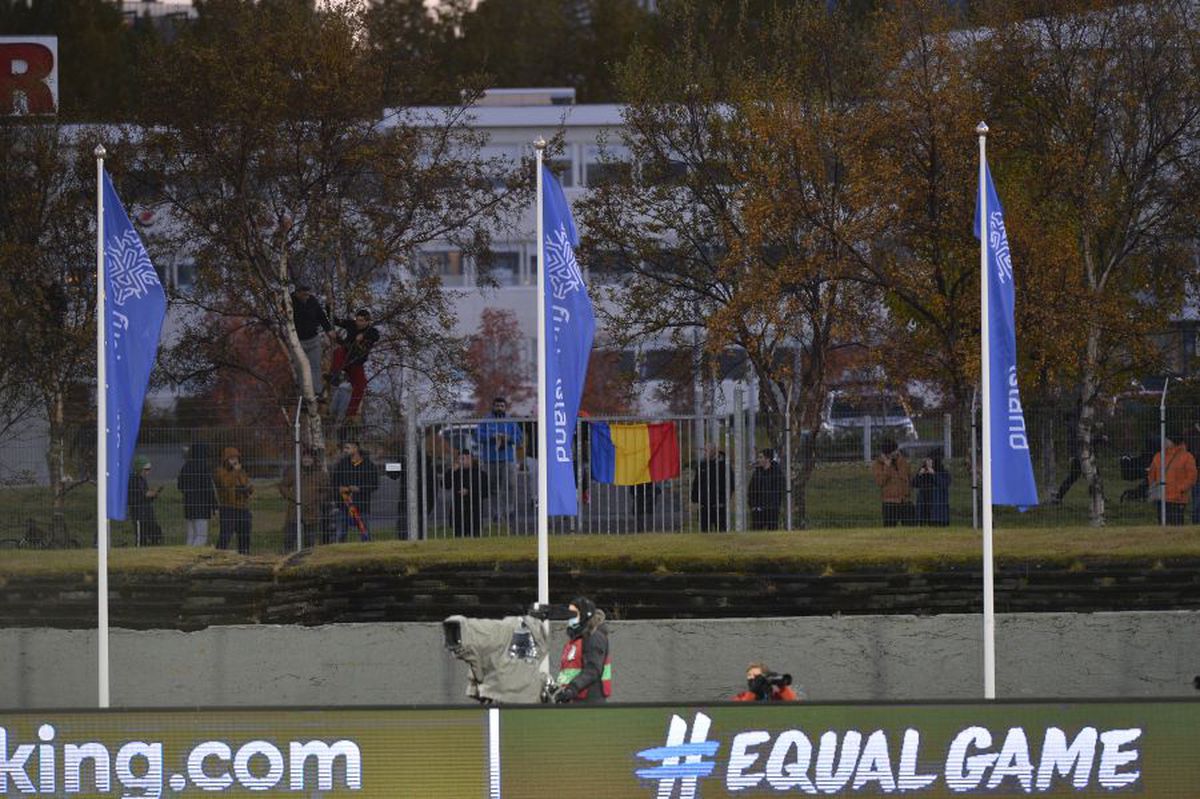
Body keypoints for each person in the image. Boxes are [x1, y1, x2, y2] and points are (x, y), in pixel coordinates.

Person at [476, 397, 524, 527]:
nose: (499, 408)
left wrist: (509, 438)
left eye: (502, 406)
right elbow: (477, 436)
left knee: (510, 485)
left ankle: (510, 511)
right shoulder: (485, 420)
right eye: (497, 406)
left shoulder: (510, 421)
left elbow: (520, 438)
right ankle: (496, 513)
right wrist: (492, 436)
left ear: (505, 407)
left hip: (508, 459)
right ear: (493, 407)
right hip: (490, 459)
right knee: (493, 488)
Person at [554, 596, 612, 704]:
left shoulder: (594, 637)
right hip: (576, 698)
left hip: (589, 700)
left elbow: (593, 670)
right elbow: (569, 673)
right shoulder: (578, 640)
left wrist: (572, 688)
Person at [326, 308, 380, 421]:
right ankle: (334, 375)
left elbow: (376, 336)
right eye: (357, 320)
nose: (358, 323)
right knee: (338, 351)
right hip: (345, 356)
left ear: (367, 321)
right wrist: (328, 307)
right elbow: (336, 321)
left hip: (356, 362)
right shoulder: (351, 324)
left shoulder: (371, 331)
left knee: (361, 384)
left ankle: (351, 413)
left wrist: (363, 336)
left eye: (361, 321)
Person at [278, 450, 330, 551]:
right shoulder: (294, 471)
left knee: (310, 539)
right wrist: (291, 496)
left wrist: (317, 499)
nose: (306, 460)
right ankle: (288, 554)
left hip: (312, 510)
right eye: (304, 457)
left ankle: (307, 556)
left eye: (309, 458)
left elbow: (326, 490)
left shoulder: (321, 474)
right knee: (289, 537)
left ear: (314, 459)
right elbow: (283, 486)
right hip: (295, 509)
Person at [1146, 430, 1198, 526]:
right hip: (1163, 497)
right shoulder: (1159, 456)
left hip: (1177, 499)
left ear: (1172, 441)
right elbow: (1151, 474)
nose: (1163, 441)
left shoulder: (1186, 456)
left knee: (1176, 524)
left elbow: (1192, 477)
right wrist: (1154, 487)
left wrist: (1180, 489)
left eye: (1166, 439)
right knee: (1163, 524)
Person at [332, 440, 379, 542]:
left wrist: (360, 488)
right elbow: (334, 482)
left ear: (356, 448)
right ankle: (340, 551)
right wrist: (339, 489)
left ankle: (367, 551)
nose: (345, 450)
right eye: (344, 448)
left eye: (347, 448)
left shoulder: (369, 465)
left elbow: (375, 484)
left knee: (364, 534)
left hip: (362, 505)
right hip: (343, 504)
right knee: (340, 534)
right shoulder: (341, 464)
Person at [291, 285, 334, 397]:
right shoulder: (290, 302)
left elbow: (321, 316)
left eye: (308, 294)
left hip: (313, 340)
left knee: (315, 366)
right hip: (298, 342)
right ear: (298, 293)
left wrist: (328, 330)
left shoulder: (312, 300)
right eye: (304, 294)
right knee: (300, 368)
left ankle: (317, 392)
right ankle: (303, 394)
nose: (307, 297)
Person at [214, 447, 253, 554]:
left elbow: (247, 483)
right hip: (228, 508)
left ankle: (244, 555)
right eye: (231, 458)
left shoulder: (241, 472)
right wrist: (235, 472)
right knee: (226, 535)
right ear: (225, 460)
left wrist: (247, 488)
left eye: (236, 458)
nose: (235, 461)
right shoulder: (220, 471)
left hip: (243, 508)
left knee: (245, 536)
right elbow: (225, 484)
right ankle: (219, 555)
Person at [177, 443, 217, 547]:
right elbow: (208, 488)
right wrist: (214, 505)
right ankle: (193, 555)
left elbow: (180, 485)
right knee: (201, 536)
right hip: (202, 506)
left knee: (191, 535)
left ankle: (185, 554)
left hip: (188, 505)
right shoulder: (203, 467)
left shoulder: (186, 466)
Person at [443, 449, 489, 538]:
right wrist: (452, 471)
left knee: (475, 538)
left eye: (463, 458)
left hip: (474, 512)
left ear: (470, 459)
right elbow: (445, 484)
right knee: (459, 538)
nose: (461, 462)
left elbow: (485, 492)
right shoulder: (456, 473)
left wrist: (469, 492)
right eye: (459, 459)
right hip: (458, 512)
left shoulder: (480, 474)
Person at [872, 438, 913, 527]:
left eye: (896, 451)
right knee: (889, 527)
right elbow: (880, 481)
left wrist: (908, 492)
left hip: (905, 500)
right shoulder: (878, 464)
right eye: (893, 453)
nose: (896, 453)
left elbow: (909, 478)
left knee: (910, 527)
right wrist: (887, 466)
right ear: (886, 454)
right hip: (889, 502)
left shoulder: (903, 461)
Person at [692, 444, 732, 532]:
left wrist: (724, 499)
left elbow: (730, 484)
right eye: (704, 451)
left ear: (714, 451)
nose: (705, 453)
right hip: (704, 505)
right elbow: (696, 483)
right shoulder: (702, 465)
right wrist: (695, 499)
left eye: (707, 451)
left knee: (721, 530)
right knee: (704, 531)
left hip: (719, 505)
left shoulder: (724, 465)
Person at [127, 456, 163, 546]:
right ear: (140, 469)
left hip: (146, 512)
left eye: (149, 469)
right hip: (139, 513)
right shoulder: (134, 479)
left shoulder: (142, 479)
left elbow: (146, 494)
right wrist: (153, 493)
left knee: (152, 531)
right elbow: (144, 493)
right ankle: (139, 548)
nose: (148, 472)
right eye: (146, 469)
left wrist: (153, 494)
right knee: (141, 536)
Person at [911, 449, 951, 527]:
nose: (928, 462)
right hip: (924, 506)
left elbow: (944, 483)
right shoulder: (923, 472)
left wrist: (934, 474)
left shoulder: (943, 472)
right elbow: (914, 484)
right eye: (927, 460)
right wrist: (919, 474)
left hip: (938, 510)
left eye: (930, 460)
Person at [748, 449, 784, 530]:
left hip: (772, 509)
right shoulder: (757, 473)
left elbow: (779, 489)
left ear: (767, 459)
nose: (758, 460)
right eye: (758, 457)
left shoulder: (777, 473)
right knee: (756, 532)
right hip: (758, 509)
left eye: (761, 457)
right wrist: (753, 506)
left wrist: (774, 505)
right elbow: (751, 490)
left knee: (772, 531)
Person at [733, 662, 799, 702]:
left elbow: (793, 703)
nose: (752, 678)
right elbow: (742, 710)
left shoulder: (776, 697)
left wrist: (781, 684)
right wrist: (753, 691)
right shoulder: (740, 697)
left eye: (756, 676)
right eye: (749, 675)